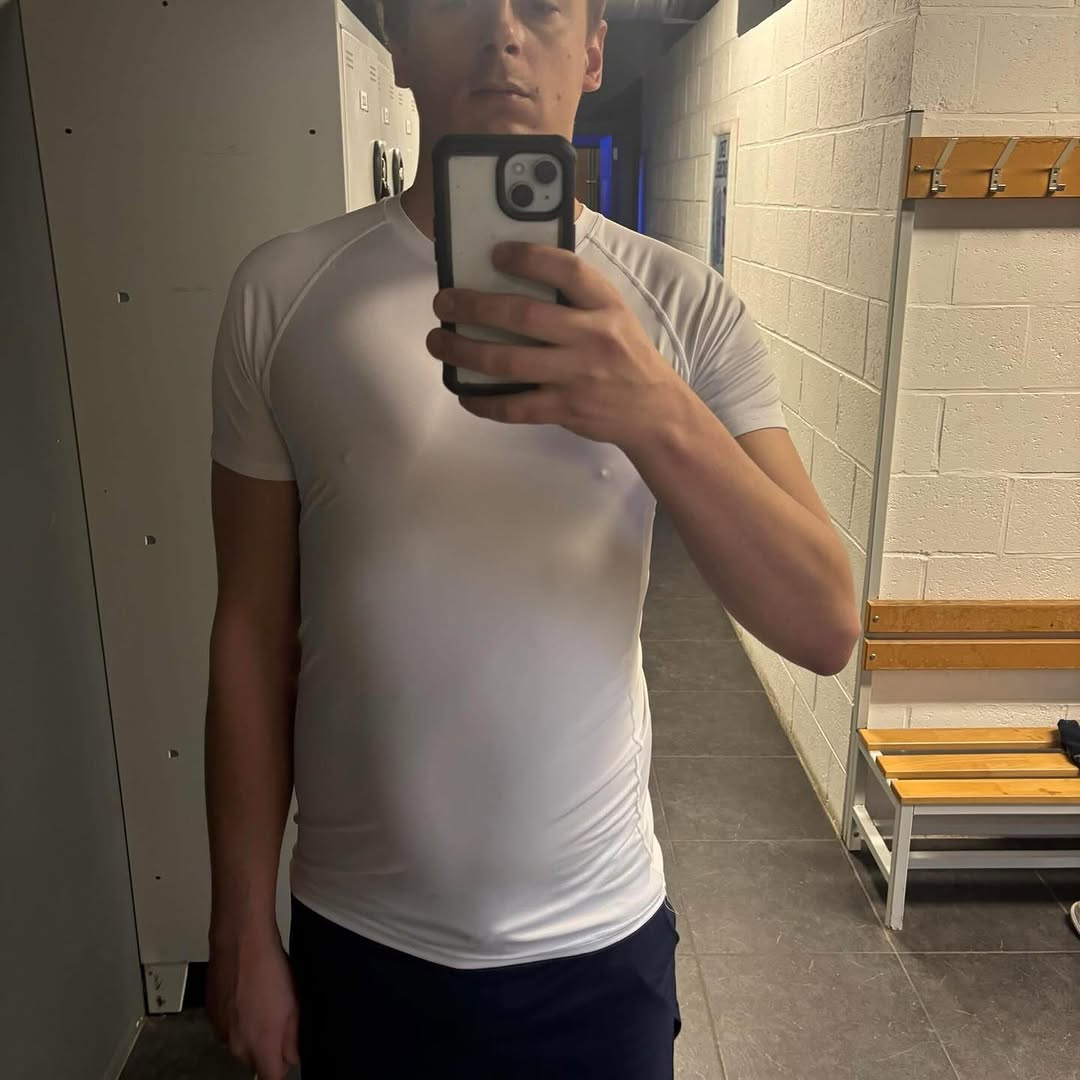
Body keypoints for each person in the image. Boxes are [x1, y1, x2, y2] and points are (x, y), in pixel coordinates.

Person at [204, 2, 861, 1077]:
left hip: (594, 947)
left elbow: (824, 623)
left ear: (593, 49)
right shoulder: (282, 296)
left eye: (544, 6)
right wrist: (239, 923)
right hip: (360, 933)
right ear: (400, 44)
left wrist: (655, 410)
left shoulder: (683, 307)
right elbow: (248, 629)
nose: (503, 34)